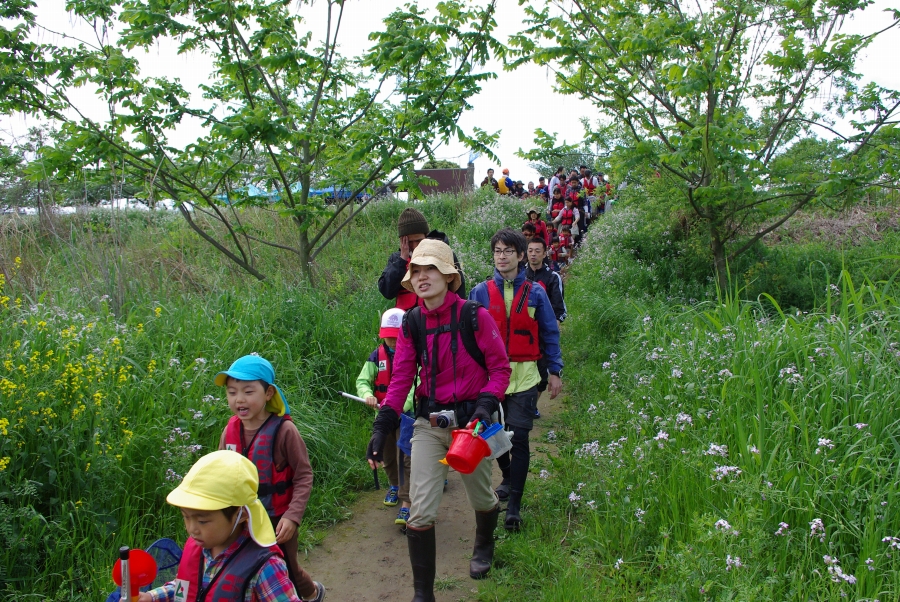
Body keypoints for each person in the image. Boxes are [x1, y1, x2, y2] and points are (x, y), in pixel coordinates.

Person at [366, 239, 511, 601]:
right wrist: (382, 425)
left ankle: (483, 546)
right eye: (415, 270)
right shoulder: (412, 322)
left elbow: (499, 368)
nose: (421, 276)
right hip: (429, 425)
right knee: (420, 509)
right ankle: (422, 595)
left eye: (430, 269)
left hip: (471, 426)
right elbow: (400, 380)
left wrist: (485, 405)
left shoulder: (474, 315)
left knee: (481, 496)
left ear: (449, 275)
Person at [468, 229, 563, 531]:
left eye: (508, 251)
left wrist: (555, 372)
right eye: (497, 251)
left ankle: (515, 507)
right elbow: (469, 337)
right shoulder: (479, 292)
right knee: (495, 436)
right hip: (491, 379)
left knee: (519, 437)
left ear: (521, 256)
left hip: (524, 378)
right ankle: (507, 477)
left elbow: (549, 332)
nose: (502, 256)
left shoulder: (536, 292)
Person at [215, 356, 325, 602]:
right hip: (241, 519)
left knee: (287, 572)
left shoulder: (285, 431)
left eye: (248, 391)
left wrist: (292, 516)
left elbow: (304, 475)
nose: (239, 399)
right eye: (232, 392)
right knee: (244, 571)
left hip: (277, 520)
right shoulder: (229, 430)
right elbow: (220, 474)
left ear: (268, 393)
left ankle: (312, 593)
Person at [138, 450, 304, 602]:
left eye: (202, 521)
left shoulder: (265, 567)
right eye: (186, 517)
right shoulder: (199, 545)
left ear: (241, 514)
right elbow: (187, 587)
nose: (192, 529)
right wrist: (151, 597)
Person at [355, 308, 414, 525]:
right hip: (384, 416)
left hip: (407, 416)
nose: (391, 340)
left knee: (407, 457)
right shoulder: (375, 356)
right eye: (387, 335)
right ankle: (395, 486)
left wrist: (397, 407)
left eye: (395, 336)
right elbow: (362, 381)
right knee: (387, 457)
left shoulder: (413, 355)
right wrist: (368, 395)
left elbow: (414, 387)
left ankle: (407, 501)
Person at [378, 208, 466, 310]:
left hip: (438, 314)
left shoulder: (442, 253)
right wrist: (402, 261)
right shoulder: (396, 259)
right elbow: (387, 292)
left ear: (426, 236)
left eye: (419, 240)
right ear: (402, 241)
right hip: (406, 317)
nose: (415, 246)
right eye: (409, 242)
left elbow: (458, 287)